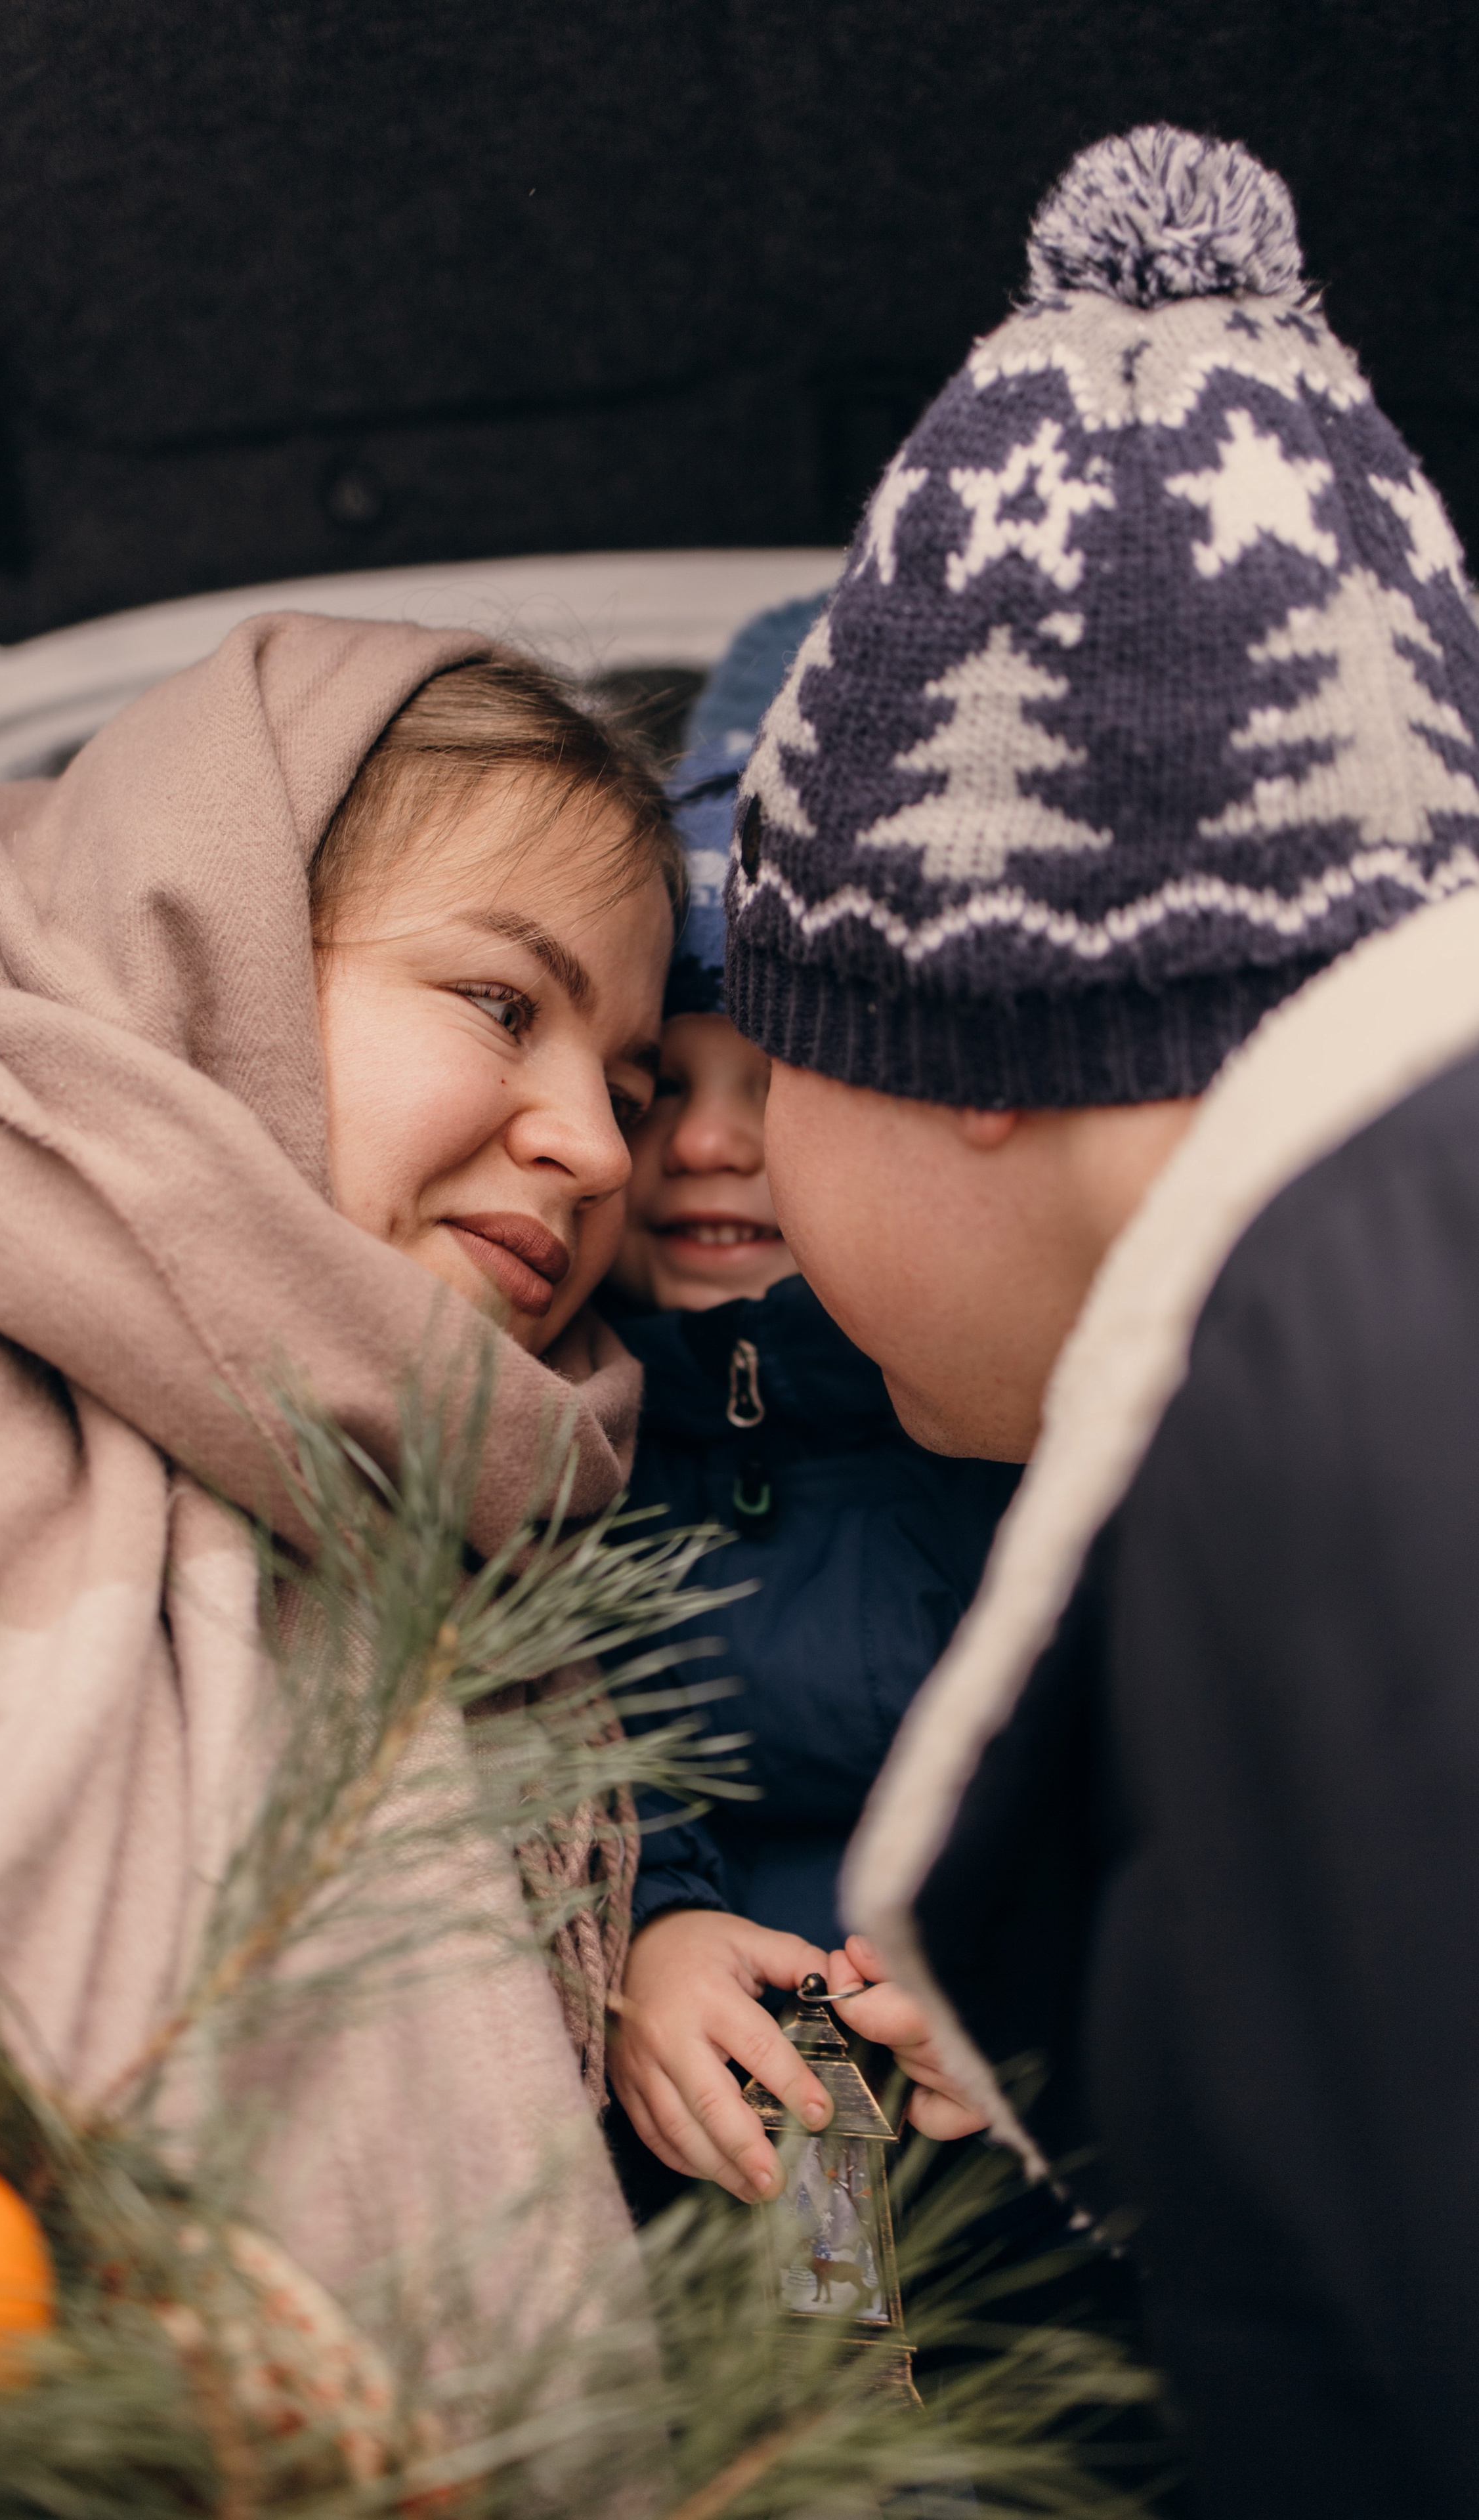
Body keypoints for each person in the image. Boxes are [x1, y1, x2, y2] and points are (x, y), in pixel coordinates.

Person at [720, 124, 1479, 2520]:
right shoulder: (1379, 1335)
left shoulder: (1360, 1443)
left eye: (772, 1050)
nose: (739, 1157)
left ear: (967, 1045)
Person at [0, 616, 681, 2312]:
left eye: (631, 1089)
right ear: (212, 946)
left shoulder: (542, 1533)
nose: (592, 1147)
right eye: (503, 1005)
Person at [603, 613, 1018, 2208]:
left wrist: (1035, 1977)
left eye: (776, 1083)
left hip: (1013, 2185)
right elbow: (553, 1752)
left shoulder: (998, 1438)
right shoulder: (564, 1451)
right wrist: (642, 1936)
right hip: (706, 2209)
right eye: (657, 1088)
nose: (708, 1143)